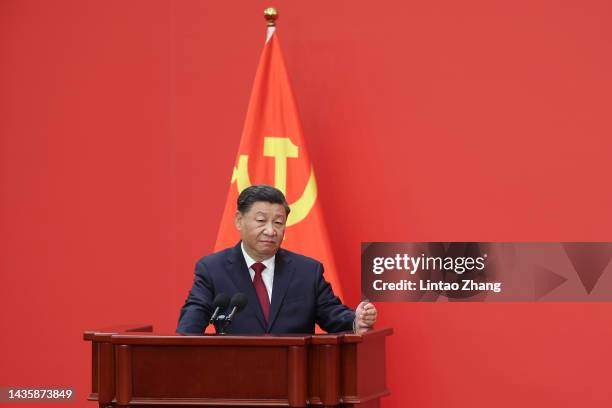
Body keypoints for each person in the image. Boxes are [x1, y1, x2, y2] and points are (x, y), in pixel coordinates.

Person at [177, 184, 377, 335]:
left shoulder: (307, 271)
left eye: (278, 222)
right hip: (234, 380)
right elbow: (190, 324)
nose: (271, 231)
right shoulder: (212, 269)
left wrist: (355, 320)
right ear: (239, 220)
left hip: (296, 380)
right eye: (261, 221)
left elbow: (331, 313)